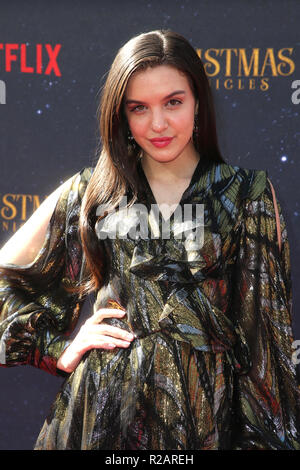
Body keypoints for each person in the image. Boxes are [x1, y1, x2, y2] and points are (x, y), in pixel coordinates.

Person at [0, 29, 299, 451]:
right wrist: (56, 349)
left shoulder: (247, 194)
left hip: (206, 420)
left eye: (173, 102)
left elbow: (265, 344)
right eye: (139, 108)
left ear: (198, 104)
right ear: (121, 115)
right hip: (101, 419)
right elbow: (6, 276)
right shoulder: (93, 194)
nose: (157, 124)